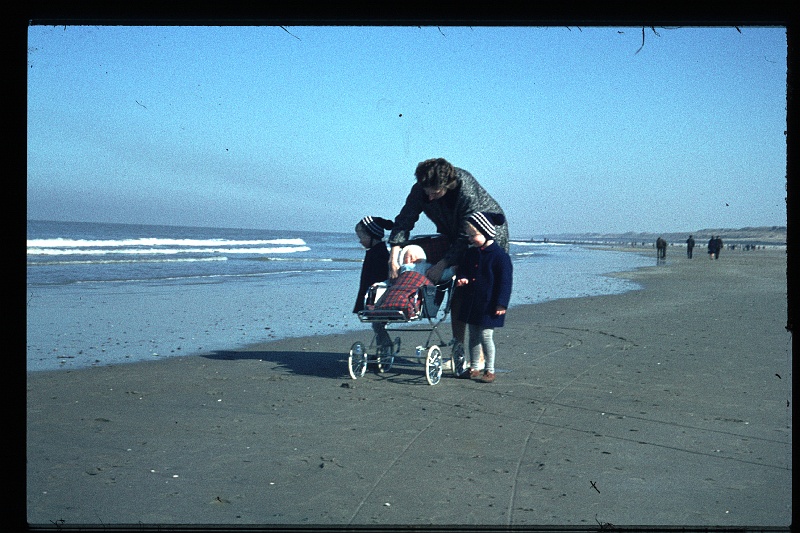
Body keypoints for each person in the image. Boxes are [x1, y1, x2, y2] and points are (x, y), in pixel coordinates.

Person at [387, 158, 509, 373]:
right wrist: (393, 256)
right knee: (450, 287)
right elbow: (405, 219)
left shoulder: (465, 189)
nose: (429, 197)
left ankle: (475, 356)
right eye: (426, 192)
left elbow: (465, 236)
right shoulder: (422, 188)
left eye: (435, 192)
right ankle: (459, 350)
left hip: (484, 237)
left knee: (469, 292)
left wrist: (442, 264)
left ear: (447, 184)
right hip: (452, 234)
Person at [454, 212, 513, 383]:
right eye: (469, 235)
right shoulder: (471, 253)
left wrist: (501, 304)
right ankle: (474, 367)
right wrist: (462, 278)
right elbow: (463, 269)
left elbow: (505, 282)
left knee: (486, 336)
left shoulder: (500, 257)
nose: (470, 239)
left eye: (473, 235)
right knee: (473, 335)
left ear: (486, 232)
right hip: (472, 302)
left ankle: (490, 369)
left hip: (490, 304)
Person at [354, 216, 395, 349]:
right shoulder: (375, 251)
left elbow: (382, 275)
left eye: (361, 237)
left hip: (378, 294)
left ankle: (385, 345)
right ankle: (382, 348)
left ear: (371, 235)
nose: (360, 241)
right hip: (374, 293)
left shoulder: (380, 253)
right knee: (376, 323)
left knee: (377, 322)